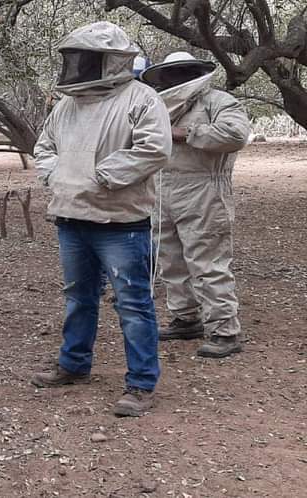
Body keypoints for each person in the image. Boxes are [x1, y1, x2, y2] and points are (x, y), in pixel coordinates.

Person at [30, 22, 172, 417]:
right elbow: (44, 148)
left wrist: (101, 177)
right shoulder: (66, 105)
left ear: (110, 60)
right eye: (75, 56)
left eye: (87, 57)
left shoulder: (141, 98)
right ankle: (74, 364)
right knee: (78, 298)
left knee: (133, 303)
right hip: (71, 218)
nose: (79, 64)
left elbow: (154, 149)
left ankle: (142, 384)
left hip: (121, 223)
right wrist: (59, 176)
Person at [140, 52, 251, 358]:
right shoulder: (159, 105)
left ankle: (224, 330)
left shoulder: (218, 101)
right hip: (161, 189)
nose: (173, 80)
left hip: (204, 188)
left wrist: (185, 134)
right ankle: (186, 318)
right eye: (169, 75)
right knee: (171, 260)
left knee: (208, 261)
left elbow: (236, 134)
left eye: (180, 73)